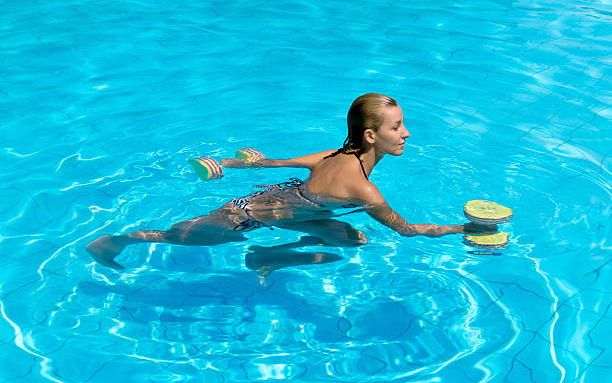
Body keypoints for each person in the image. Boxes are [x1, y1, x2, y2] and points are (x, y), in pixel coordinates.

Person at [86, 93, 492, 269]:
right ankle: (118, 241)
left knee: (350, 238)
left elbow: (275, 163)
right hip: (250, 215)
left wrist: (231, 163)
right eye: (398, 127)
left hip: (286, 205)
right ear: (371, 137)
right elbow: (406, 231)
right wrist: (464, 229)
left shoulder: (338, 153)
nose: (406, 134)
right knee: (181, 237)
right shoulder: (363, 189)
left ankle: (269, 258)